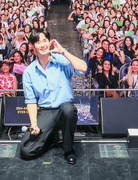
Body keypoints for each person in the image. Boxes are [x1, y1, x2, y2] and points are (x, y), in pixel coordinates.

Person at [19, 29, 87, 164]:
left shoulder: (61, 60)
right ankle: (51, 139)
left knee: (69, 110)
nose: (42, 45)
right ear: (32, 46)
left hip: (63, 107)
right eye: (38, 42)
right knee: (26, 151)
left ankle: (68, 149)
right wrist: (33, 125)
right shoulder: (29, 72)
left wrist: (63, 51)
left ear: (50, 42)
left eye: (45, 40)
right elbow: (31, 101)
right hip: (46, 111)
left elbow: (83, 68)